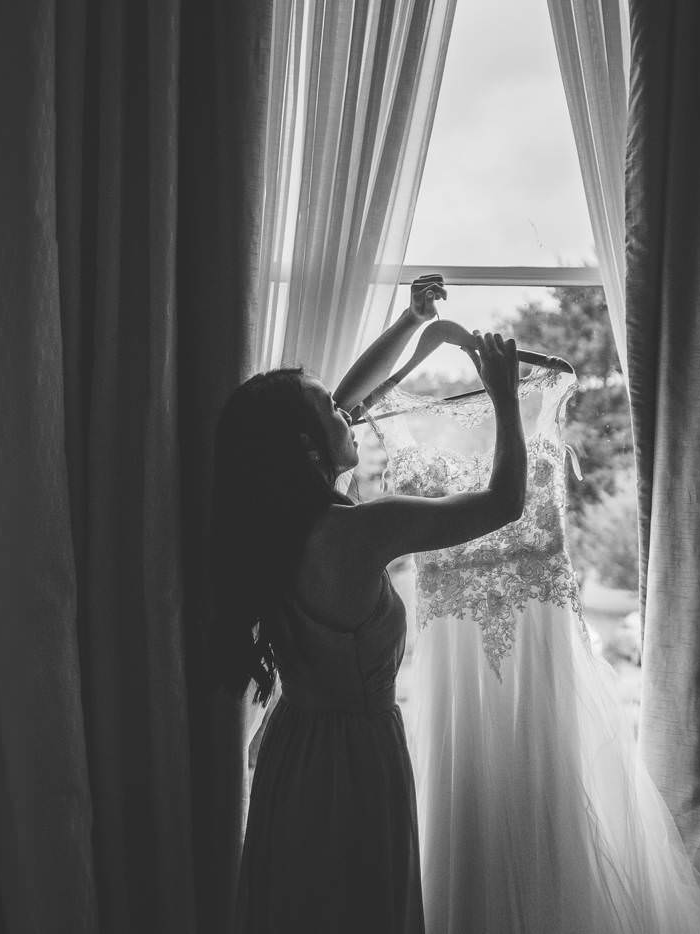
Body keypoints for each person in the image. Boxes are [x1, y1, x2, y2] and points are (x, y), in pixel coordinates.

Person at [211, 274, 523, 934]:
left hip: (293, 751)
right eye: (334, 411)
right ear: (307, 447)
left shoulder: (273, 523)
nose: (351, 411)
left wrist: (411, 323)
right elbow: (503, 504)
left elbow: (341, 400)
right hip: (355, 764)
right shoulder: (361, 531)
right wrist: (505, 398)